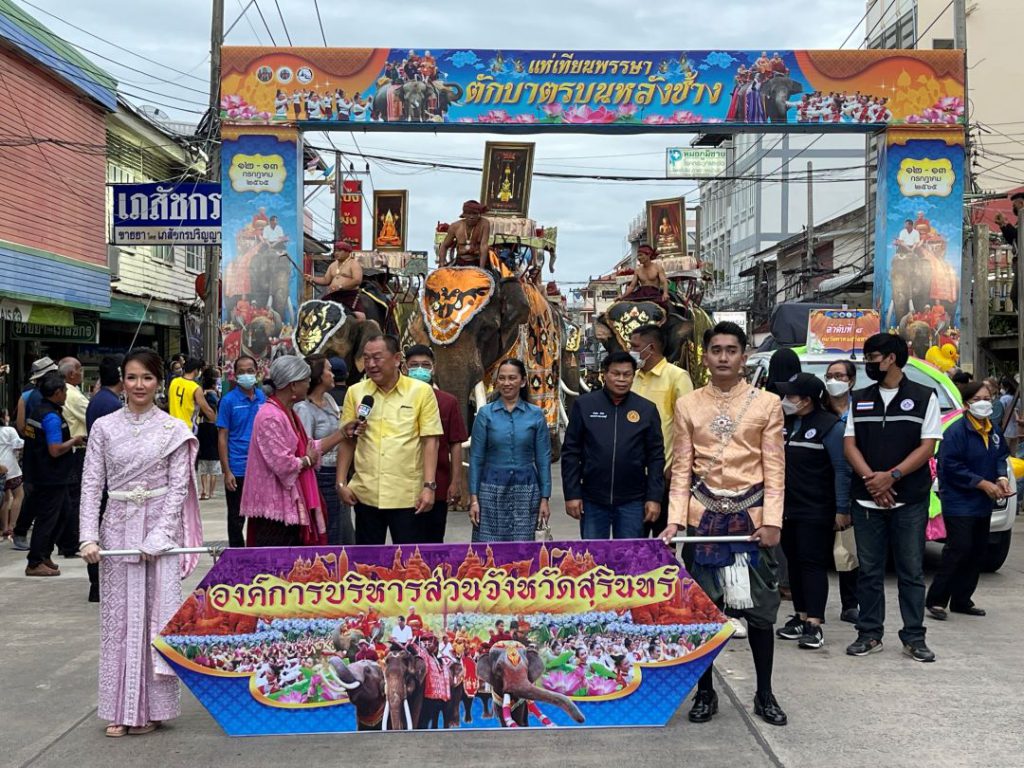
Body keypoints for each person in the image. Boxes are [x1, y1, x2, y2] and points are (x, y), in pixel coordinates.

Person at [660, 321, 788, 727]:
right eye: (716, 350)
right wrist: (675, 521)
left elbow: (775, 468)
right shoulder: (688, 405)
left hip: (752, 520)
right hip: (704, 520)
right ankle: (705, 693)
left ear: (744, 356)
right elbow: (682, 469)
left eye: (731, 350)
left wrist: (773, 521)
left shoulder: (767, 403)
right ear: (706, 356)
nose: (723, 357)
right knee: (704, 613)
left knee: (762, 614)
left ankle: (765, 693)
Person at [79, 348, 204, 737]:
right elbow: (91, 483)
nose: (139, 385)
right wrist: (88, 536)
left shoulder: (173, 429)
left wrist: (161, 534)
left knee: (155, 618)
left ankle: (153, 710)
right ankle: (119, 709)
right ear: (122, 380)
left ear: (159, 382)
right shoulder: (104, 428)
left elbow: (178, 488)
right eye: (132, 377)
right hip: (117, 530)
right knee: (118, 621)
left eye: (147, 378)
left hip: (158, 534)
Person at [843, 333, 943, 663]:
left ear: (891, 359)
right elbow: (849, 445)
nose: (868, 364)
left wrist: (893, 476)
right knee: (869, 571)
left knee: (911, 571)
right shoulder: (859, 398)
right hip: (866, 500)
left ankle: (914, 637)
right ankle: (869, 634)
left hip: (909, 500)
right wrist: (873, 481)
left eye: (872, 358)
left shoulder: (924, 396)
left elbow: (927, 446)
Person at [337, 335, 443, 545]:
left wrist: (429, 487)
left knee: (409, 560)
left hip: (407, 497)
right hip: (366, 494)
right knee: (367, 560)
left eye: (377, 357)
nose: (371, 364)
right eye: (366, 358)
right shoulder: (356, 392)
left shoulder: (421, 392)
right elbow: (347, 440)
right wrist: (341, 482)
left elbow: (430, 441)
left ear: (396, 359)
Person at [773, 373, 848, 650]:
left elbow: (842, 469)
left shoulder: (831, 427)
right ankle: (801, 616)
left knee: (812, 563)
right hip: (787, 507)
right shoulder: (786, 424)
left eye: (790, 396)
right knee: (793, 561)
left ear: (806, 400)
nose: (785, 400)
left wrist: (842, 508)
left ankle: (814, 624)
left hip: (816, 508)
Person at [241, 356, 349, 547]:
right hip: (274, 512)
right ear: (293, 385)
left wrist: (342, 433)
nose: (308, 385)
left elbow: (309, 447)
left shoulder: (287, 412)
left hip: (289, 506)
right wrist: (307, 460)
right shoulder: (270, 416)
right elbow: (284, 464)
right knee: (276, 563)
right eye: (306, 380)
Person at [926, 382, 1011, 621]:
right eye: (977, 399)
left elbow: (1000, 456)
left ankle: (962, 599)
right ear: (966, 404)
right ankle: (936, 600)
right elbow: (951, 466)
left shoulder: (993, 430)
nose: (984, 403)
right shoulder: (956, 432)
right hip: (959, 500)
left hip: (983, 501)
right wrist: (982, 483)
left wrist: (1001, 478)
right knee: (959, 548)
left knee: (977, 550)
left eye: (987, 398)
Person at [562, 351, 664, 539]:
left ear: (633, 376)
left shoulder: (646, 409)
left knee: (628, 554)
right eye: (616, 374)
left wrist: (654, 497)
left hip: (633, 500)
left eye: (627, 375)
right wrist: (572, 494)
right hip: (593, 499)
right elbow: (571, 452)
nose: (621, 379)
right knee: (593, 554)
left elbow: (656, 457)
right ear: (605, 374)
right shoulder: (585, 405)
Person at [468, 359, 551, 542]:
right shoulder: (485, 414)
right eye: (502, 378)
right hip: (491, 489)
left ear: (523, 381)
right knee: (489, 549)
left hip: (526, 489)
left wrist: (545, 498)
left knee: (524, 549)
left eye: (512, 378)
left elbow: (543, 459)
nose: (506, 383)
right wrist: (474, 499)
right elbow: (476, 458)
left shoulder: (536, 415)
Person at [630, 325, 694, 538]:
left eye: (635, 346)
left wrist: (677, 465)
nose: (631, 351)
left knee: (663, 542)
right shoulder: (632, 378)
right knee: (633, 543)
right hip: (633, 475)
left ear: (651, 348)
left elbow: (688, 426)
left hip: (664, 474)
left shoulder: (677, 377)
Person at [404, 345, 468, 543]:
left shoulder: (448, 402)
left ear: (434, 368)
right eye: (414, 365)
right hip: (403, 486)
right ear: (404, 368)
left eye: (425, 365)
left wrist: (456, 481)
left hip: (437, 485)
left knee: (433, 541)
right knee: (405, 543)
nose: (419, 369)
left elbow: (455, 444)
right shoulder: (397, 401)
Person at [23, 372, 83, 577]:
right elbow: (55, 450)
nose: (66, 394)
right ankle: (35, 562)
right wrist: (74, 441)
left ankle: (44, 554)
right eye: (65, 391)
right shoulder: (50, 416)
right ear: (57, 393)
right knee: (47, 519)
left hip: (43, 474)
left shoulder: (38, 411)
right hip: (51, 477)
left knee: (63, 514)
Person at [295, 356, 354, 545]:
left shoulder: (329, 400)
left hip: (338, 472)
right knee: (330, 531)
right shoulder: (304, 408)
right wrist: (340, 435)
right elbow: (307, 449)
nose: (333, 374)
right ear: (319, 376)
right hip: (321, 475)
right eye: (328, 370)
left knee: (344, 531)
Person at [83, 355, 123, 602]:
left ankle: (97, 584)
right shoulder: (111, 405)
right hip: (109, 482)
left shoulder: (100, 399)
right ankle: (99, 585)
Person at [824, 359, 860, 624]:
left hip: (854, 486)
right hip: (822, 487)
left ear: (851, 380)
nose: (834, 381)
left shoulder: (860, 410)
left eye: (839, 376)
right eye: (829, 376)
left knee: (847, 549)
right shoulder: (820, 411)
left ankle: (851, 603)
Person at [217, 356, 265, 548]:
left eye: (250, 371)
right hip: (238, 468)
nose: (246, 375)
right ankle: (237, 555)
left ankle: (257, 553)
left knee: (261, 516)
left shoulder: (264, 398)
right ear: (235, 375)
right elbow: (222, 437)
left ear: (257, 372)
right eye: (242, 372)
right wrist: (226, 471)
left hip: (261, 468)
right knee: (236, 517)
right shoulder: (228, 401)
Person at [304, 241, 366, 321]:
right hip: (334, 294)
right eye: (335, 251)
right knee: (318, 311)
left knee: (360, 317)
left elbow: (357, 280)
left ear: (347, 252)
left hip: (350, 294)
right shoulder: (332, 265)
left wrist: (340, 286)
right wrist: (312, 278)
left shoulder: (353, 264)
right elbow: (326, 280)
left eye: (339, 251)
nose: (336, 253)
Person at [437, 200, 491, 268]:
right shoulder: (455, 226)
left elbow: (484, 246)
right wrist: (442, 263)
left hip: (478, 261)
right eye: (469, 213)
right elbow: (444, 245)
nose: (471, 217)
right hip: (460, 261)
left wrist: (481, 269)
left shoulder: (484, 224)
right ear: (464, 214)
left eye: (474, 214)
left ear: (479, 214)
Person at [167, 358, 215, 432]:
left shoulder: (174, 382)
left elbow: (170, 401)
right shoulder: (195, 388)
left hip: (172, 427)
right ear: (196, 370)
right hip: (188, 429)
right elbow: (207, 410)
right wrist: (218, 423)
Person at [415, 633, 451, 729]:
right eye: (425, 642)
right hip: (426, 694)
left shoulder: (435, 659)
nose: (427, 644)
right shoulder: (424, 654)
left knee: (427, 721)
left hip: (434, 697)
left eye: (430, 643)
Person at [197, 367, 221, 500]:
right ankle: (211, 492)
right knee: (214, 466)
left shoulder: (201, 394)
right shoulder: (216, 396)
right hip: (214, 429)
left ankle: (204, 491)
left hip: (203, 428)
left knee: (203, 465)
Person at [0, 420, 24, 540]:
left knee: (5, 499)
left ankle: (4, 528)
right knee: (18, 495)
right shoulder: (9, 430)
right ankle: (12, 526)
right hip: (11, 468)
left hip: (0, 469)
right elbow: (18, 445)